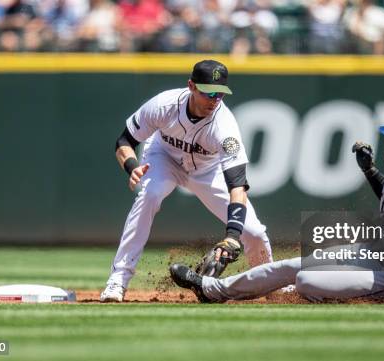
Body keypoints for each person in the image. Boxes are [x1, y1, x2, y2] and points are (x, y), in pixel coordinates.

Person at [169, 113, 384, 305]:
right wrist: (369, 171)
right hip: (373, 254)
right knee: (290, 266)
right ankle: (211, 290)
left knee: (305, 282)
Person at [100, 59, 274, 302]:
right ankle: (117, 281)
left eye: (220, 94)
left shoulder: (224, 126)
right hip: (163, 158)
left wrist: (233, 235)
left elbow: (238, 185)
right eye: (209, 92)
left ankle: (270, 286)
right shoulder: (164, 105)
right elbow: (124, 142)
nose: (214, 100)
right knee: (150, 195)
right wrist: (132, 167)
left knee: (253, 232)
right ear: (191, 86)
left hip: (208, 170)